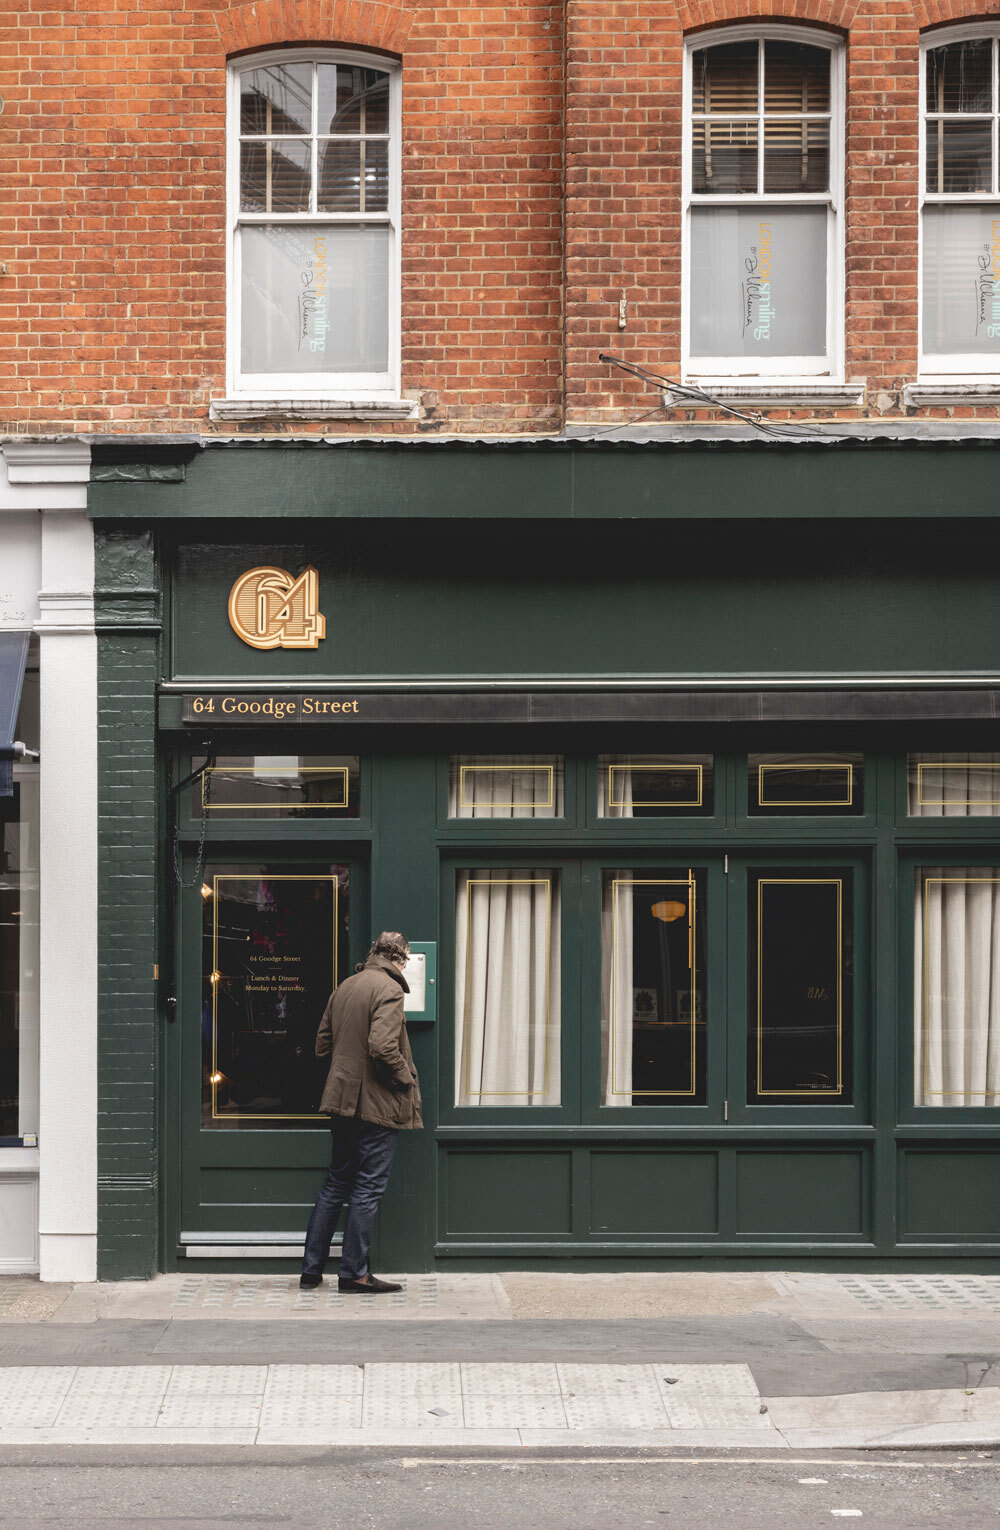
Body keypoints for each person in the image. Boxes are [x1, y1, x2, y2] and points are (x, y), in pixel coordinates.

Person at [299, 931, 422, 1292]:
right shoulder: (389, 990)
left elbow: (322, 1047)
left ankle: (310, 1270)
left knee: (336, 1182)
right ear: (400, 959)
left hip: (341, 1101)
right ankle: (354, 1273)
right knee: (367, 1188)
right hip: (376, 1105)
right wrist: (405, 1080)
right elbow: (383, 1047)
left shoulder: (346, 987)